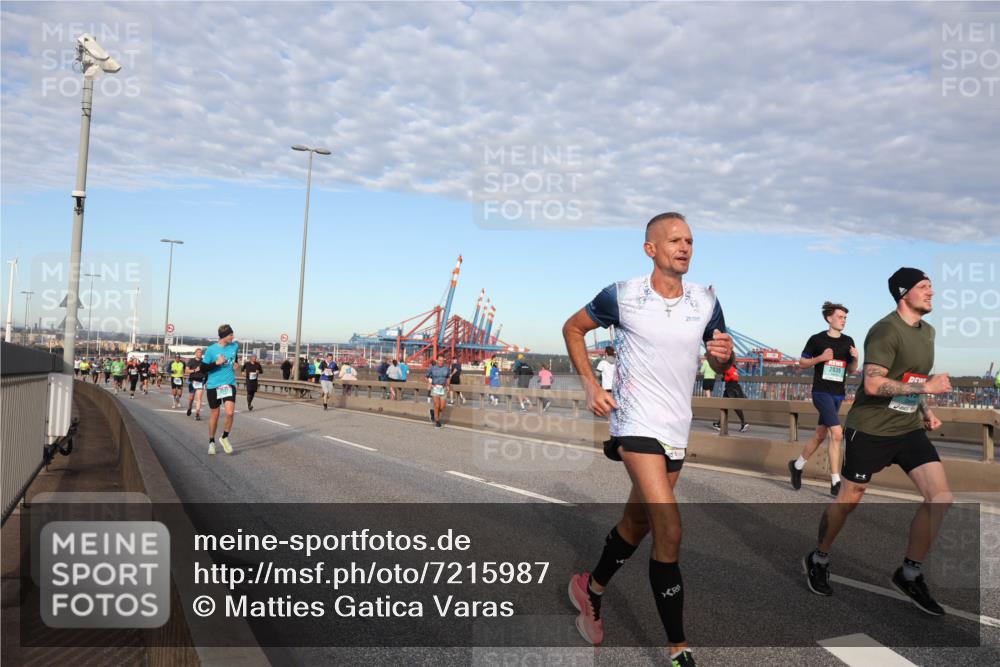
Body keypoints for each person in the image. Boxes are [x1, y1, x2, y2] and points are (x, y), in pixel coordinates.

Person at [561, 211, 733, 667]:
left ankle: (590, 587)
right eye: (674, 240)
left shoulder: (706, 299)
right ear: (650, 249)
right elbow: (572, 328)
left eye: (691, 241)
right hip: (635, 423)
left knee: (636, 524)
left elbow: (721, 346)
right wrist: (591, 385)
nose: (685, 248)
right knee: (669, 526)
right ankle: (679, 649)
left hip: (677, 426)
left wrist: (723, 350)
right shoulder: (621, 295)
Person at [805, 268, 953, 616]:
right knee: (851, 498)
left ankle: (910, 573)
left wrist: (925, 408)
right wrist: (927, 388)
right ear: (904, 294)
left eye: (931, 286)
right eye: (924, 287)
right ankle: (820, 556)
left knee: (941, 496)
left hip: (907, 427)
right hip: (870, 429)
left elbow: (912, 378)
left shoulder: (927, 332)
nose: (931, 292)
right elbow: (873, 385)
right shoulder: (885, 330)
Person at [789, 302, 858, 496]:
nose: (844, 321)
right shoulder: (816, 339)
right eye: (840, 317)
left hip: (838, 394)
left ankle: (797, 465)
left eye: (845, 318)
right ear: (829, 318)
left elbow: (851, 371)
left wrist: (855, 358)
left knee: (820, 434)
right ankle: (836, 482)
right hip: (821, 393)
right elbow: (802, 363)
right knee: (836, 434)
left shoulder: (848, 341)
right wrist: (820, 358)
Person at [202, 324, 239, 455]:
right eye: (230, 335)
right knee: (215, 414)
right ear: (224, 336)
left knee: (229, 413)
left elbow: (235, 358)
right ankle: (211, 442)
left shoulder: (234, 346)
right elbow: (203, 368)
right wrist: (216, 363)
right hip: (213, 385)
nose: (233, 337)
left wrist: (236, 364)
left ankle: (224, 437)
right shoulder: (211, 350)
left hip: (228, 384)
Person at [712, 365, 749, 432]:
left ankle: (744, 423)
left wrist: (725, 377)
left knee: (734, 406)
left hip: (730, 388)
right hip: (732, 388)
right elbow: (733, 377)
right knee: (724, 406)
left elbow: (731, 377)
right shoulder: (733, 368)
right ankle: (719, 424)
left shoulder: (728, 367)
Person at [426, 354, 451, 428]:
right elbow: (426, 377)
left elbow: (448, 377)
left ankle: (433, 412)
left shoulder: (447, 368)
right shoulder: (432, 368)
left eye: (442, 361)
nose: (441, 362)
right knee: (437, 405)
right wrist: (429, 383)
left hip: (443, 388)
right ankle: (437, 421)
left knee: (442, 407)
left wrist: (448, 385)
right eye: (439, 360)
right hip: (435, 388)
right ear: (437, 360)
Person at [186, 348, 206, 420]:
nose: (200, 354)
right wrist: (194, 370)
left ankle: (197, 413)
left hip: (201, 381)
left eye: (201, 352)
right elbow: (186, 370)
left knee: (199, 399)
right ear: (196, 353)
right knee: (191, 398)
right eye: (198, 352)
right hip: (192, 381)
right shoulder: (191, 361)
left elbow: (206, 370)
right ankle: (189, 407)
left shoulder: (204, 361)